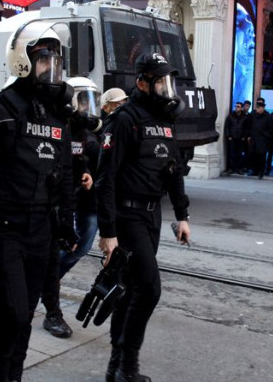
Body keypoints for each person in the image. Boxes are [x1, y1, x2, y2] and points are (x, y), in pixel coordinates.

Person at [0, 21, 76, 382]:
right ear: (22, 60)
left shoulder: (57, 117)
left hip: (41, 230)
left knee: (25, 315)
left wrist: (66, 223)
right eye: (43, 59)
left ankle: (12, 375)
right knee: (12, 312)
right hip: (1, 228)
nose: (50, 68)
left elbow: (65, 174)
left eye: (55, 60)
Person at [96, 52, 191, 382]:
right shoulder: (125, 119)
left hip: (152, 217)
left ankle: (115, 367)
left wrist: (182, 215)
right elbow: (105, 178)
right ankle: (128, 366)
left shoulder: (166, 120)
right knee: (149, 289)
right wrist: (108, 232)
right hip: (127, 216)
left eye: (168, 81)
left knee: (128, 290)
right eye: (159, 81)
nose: (165, 88)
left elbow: (174, 171)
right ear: (141, 83)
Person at [40, 76, 102, 339]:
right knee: (53, 253)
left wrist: (86, 173)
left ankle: (48, 283)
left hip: (77, 198)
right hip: (56, 201)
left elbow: (81, 158)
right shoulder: (58, 123)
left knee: (81, 246)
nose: (87, 107)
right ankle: (52, 309)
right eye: (83, 100)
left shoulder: (85, 132)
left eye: (91, 101)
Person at [248, 100, 273, 179]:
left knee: (262, 156)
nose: (256, 110)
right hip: (254, 138)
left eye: (258, 108)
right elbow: (250, 125)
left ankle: (261, 172)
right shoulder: (253, 114)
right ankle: (254, 170)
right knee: (254, 155)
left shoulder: (268, 116)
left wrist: (265, 135)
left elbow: (271, 128)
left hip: (262, 140)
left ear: (262, 108)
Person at [223, 102, 246, 175]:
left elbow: (247, 128)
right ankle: (231, 168)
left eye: (238, 106)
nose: (236, 108)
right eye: (235, 106)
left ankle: (239, 169)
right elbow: (227, 126)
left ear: (241, 108)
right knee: (231, 154)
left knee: (240, 154)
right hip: (232, 138)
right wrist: (228, 136)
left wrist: (244, 136)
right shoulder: (230, 116)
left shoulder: (245, 117)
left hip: (241, 138)